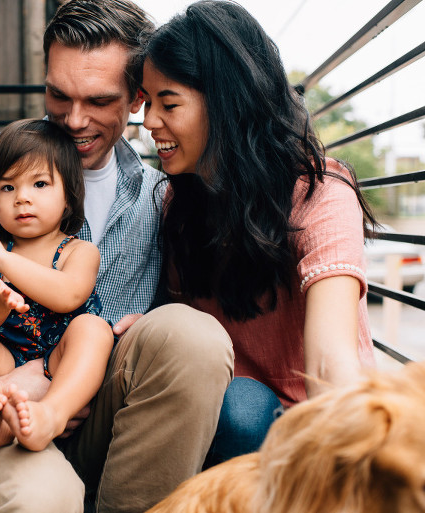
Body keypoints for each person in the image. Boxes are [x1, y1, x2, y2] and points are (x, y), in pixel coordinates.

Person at [0, 1, 234, 511]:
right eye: (59, 94)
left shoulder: (159, 196)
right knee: (42, 498)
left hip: (96, 406)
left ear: (137, 98)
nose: (74, 120)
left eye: (99, 100)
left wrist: (61, 384)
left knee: (193, 336)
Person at [140, 0, 378, 468]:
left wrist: (353, 466)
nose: (149, 121)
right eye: (147, 102)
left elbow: (330, 365)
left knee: (241, 408)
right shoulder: (179, 204)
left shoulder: (321, 194)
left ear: (226, 103)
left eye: (168, 103)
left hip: (312, 435)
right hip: (220, 427)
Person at [0, 118, 114, 452]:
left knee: (94, 329)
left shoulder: (79, 251)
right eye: (7, 187)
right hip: (1, 358)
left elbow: (69, 295)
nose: (22, 198)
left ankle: (51, 414)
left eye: (39, 184)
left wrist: (3, 262)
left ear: (68, 197)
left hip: (55, 358)